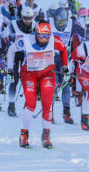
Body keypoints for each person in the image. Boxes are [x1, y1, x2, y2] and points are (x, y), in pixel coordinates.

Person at [9, 20, 69, 149]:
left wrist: (65, 67)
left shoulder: (54, 40)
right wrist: (10, 69)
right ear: (36, 34)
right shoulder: (25, 40)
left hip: (47, 73)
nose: (45, 39)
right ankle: (24, 134)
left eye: (47, 36)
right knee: (31, 103)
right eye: (42, 35)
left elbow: (64, 50)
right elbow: (11, 50)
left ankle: (46, 134)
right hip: (29, 73)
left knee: (47, 103)